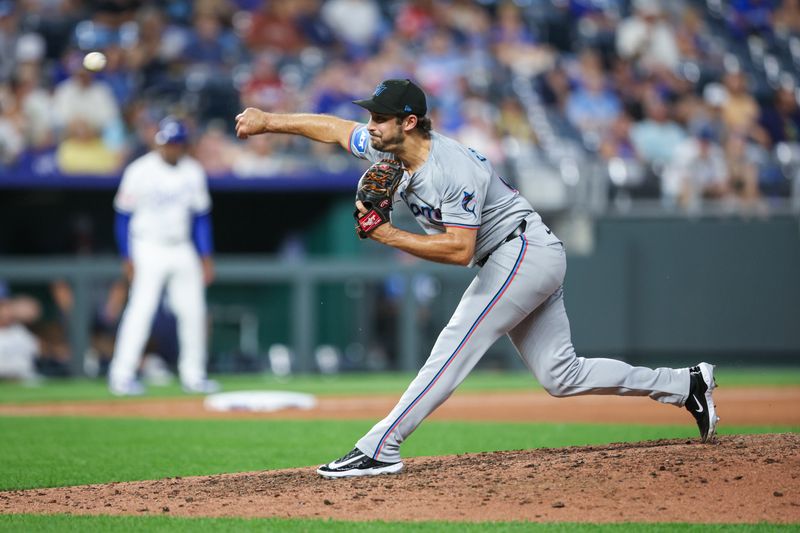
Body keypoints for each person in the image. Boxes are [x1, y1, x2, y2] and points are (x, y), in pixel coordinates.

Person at [234, 79, 719, 479]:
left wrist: (386, 235)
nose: (370, 126)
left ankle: (381, 444)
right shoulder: (389, 151)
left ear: (408, 122)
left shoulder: (451, 168)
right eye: (371, 117)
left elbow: (458, 249)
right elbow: (336, 129)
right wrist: (269, 121)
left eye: (379, 118)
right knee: (560, 375)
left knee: (455, 343)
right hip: (520, 254)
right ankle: (685, 384)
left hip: (520, 251)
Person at [108, 116, 219, 396]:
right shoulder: (140, 170)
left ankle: (193, 375)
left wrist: (205, 256)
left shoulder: (193, 171)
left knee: (193, 312)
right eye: (167, 143)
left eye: (176, 143)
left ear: (183, 145)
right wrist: (127, 256)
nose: (170, 148)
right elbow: (122, 217)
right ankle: (122, 375)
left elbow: (200, 218)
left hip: (181, 247)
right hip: (148, 246)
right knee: (141, 310)